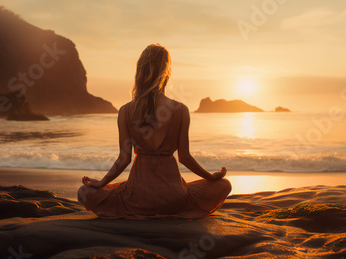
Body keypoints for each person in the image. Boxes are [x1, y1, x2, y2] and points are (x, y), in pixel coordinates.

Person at [78, 44, 231, 219]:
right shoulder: (180, 110)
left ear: (139, 71)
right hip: (174, 198)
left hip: (137, 198)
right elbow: (185, 158)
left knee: (85, 191)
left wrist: (102, 182)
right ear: (167, 72)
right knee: (224, 185)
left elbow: (124, 159)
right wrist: (211, 177)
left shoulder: (126, 111)